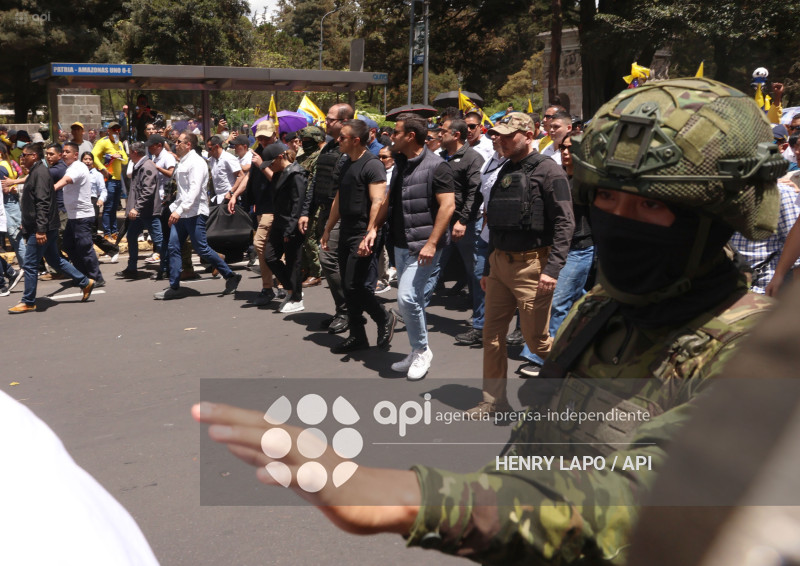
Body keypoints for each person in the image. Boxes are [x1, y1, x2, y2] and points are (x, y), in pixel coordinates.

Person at [193, 78, 783, 564]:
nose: (619, 220)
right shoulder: (609, 307)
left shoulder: (756, 357)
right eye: (607, 198)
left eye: (650, 204)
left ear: (718, 215)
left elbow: (643, 495)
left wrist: (409, 499)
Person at [466, 112, 574, 416]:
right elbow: (496, 222)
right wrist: (489, 267)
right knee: (492, 336)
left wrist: (552, 270)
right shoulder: (504, 170)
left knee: (538, 342)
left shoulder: (550, 172)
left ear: (528, 135)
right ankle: (493, 401)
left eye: (507, 134)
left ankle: (577, 390)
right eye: (498, 134)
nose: (499, 139)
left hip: (532, 266)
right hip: (500, 263)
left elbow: (566, 223)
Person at [517, 130, 595, 377]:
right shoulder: (557, 176)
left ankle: (539, 358)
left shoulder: (591, 183)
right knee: (580, 303)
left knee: (556, 301)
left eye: (572, 149)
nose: (566, 153)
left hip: (580, 249)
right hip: (554, 249)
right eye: (563, 148)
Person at [385, 113, 455, 380]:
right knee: (409, 302)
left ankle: (423, 351)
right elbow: (391, 202)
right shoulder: (401, 164)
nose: (392, 136)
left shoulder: (438, 166)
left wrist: (432, 243)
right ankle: (416, 350)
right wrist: (372, 231)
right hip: (402, 245)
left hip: (424, 247)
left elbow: (448, 206)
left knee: (406, 298)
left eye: (396, 132)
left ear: (410, 136)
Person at [321, 119, 394, 353]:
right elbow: (339, 199)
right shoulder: (345, 163)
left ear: (355, 140)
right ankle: (357, 335)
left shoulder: (372, 165)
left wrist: (370, 231)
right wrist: (328, 228)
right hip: (346, 230)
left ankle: (383, 317)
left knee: (356, 285)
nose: (337, 140)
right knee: (348, 284)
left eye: (342, 137)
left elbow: (378, 201)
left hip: (364, 232)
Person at [154, 132, 242, 300]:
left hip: (194, 213)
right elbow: (182, 191)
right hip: (182, 212)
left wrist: (179, 211)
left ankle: (230, 275)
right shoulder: (183, 162)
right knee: (173, 247)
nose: (176, 143)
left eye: (179, 141)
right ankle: (174, 286)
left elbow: (194, 191)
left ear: (188, 145)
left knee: (201, 248)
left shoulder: (197, 163)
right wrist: (175, 208)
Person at [9, 143, 95, 313]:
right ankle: (85, 282)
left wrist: (40, 229)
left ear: (33, 156)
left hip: (42, 228)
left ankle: (28, 301)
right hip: (43, 225)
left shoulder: (40, 173)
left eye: (24, 155)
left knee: (31, 264)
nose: (21, 158)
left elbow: (43, 202)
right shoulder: (37, 171)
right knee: (55, 260)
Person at [299, 103, 354, 333]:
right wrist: (306, 212)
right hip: (324, 213)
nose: (326, 123)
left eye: (330, 119)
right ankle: (343, 310)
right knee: (331, 262)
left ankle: (348, 312)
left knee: (329, 261)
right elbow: (316, 181)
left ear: (344, 121)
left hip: (341, 215)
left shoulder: (352, 148)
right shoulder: (329, 147)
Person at [53, 142, 105, 287]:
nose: (63, 154)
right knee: (68, 245)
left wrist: (53, 188)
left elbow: (66, 180)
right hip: (73, 216)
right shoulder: (70, 167)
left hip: (82, 216)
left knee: (85, 247)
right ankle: (82, 276)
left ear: (75, 155)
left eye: (67, 152)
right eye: (62, 151)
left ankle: (97, 278)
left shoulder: (78, 167)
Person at [115, 142, 161, 279]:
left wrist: (136, 207)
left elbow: (148, 190)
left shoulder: (147, 166)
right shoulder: (139, 166)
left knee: (159, 240)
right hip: (139, 212)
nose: (128, 154)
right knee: (131, 236)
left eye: (129, 152)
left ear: (135, 152)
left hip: (148, 212)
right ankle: (132, 267)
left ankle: (167, 267)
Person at [91, 122, 129, 238]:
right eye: (114, 130)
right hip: (108, 178)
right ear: (109, 131)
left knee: (114, 208)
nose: (116, 131)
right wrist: (103, 168)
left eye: (118, 129)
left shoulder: (119, 144)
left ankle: (114, 231)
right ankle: (107, 232)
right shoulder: (102, 142)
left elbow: (125, 161)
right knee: (108, 207)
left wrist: (119, 153)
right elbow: (93, 156)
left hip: (117, 179)